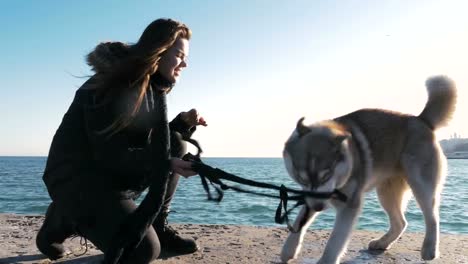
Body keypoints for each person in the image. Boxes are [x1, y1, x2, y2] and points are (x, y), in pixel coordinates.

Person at [36, 18, 207, 263]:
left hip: (111, 176)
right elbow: (110, 154)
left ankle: (156, 224)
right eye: (179, 55)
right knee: (142, 251)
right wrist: (166, 163)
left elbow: (141, 140)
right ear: (157, 52)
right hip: (76, 179)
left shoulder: (149, 85)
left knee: (176, 142)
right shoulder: (107, 85)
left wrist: (181, 124)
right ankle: (63, 218)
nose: (185, 64)